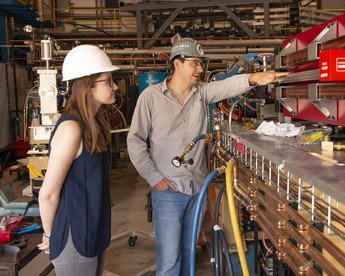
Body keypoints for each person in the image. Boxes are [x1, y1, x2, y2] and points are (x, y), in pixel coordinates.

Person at [127, 37, 288, 275]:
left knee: (189, 252)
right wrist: (155, 180)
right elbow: (135, 141)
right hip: (168, 190)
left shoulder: (201, 94)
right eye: (195, 63)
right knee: (170, 261)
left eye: (201, 64)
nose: (200, 69)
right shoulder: (151, 97)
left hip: (197, 188)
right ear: (177, 64)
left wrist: (253, 78)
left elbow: (227, 86)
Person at [37, 45, 119, 275]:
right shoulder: (71, 128)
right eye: (108, 81)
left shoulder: (96, 124)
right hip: (74, 235)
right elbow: (48, 194)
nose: (114, 86)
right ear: (88, 87)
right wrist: (50, 235)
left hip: (95, 228)